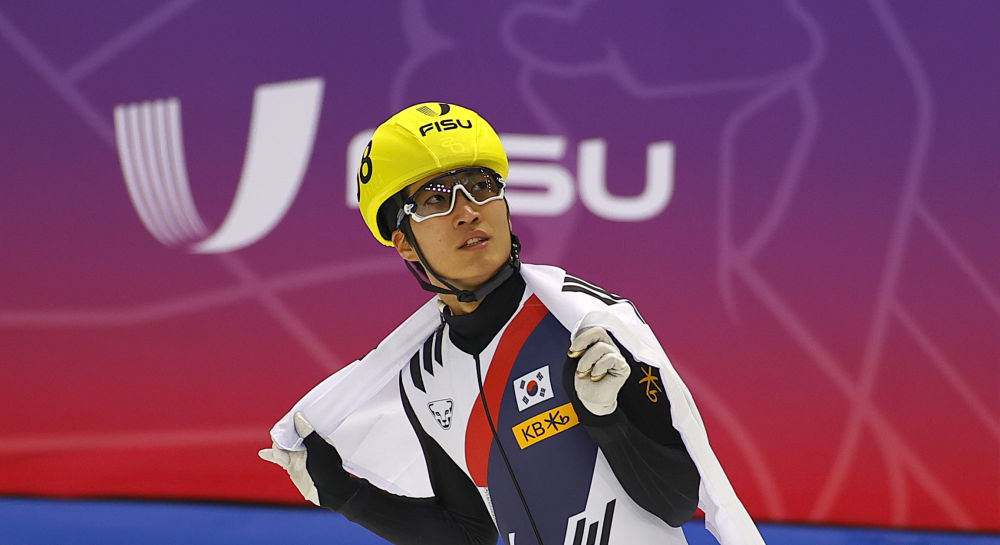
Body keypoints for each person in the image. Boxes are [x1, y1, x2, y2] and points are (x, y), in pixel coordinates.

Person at [259, 102, 764, 545]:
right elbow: (471, 532)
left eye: (481, 187)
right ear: (405, 243)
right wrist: (347, 496)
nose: (467, 212)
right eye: (436, 199)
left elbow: (677, 504)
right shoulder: (423, 378)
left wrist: (608, 420)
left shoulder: (584, 328)